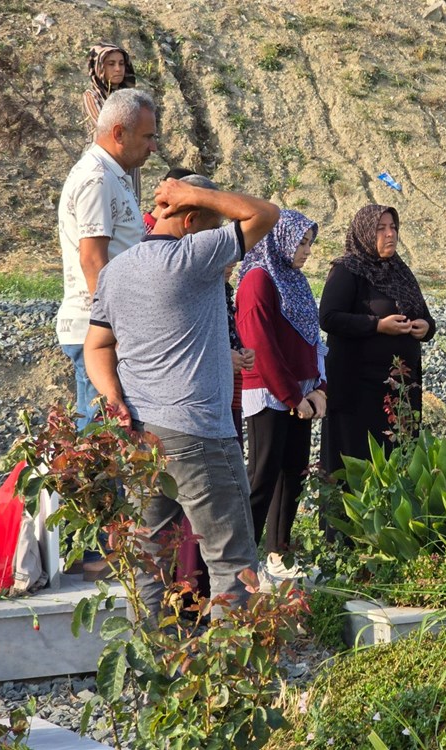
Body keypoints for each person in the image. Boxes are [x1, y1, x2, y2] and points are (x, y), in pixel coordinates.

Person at [84, 174, 280, 620]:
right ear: (190, 221)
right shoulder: (193, 255)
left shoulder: (116, 270)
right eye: (212, 224)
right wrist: (193, 194)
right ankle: (230, 662)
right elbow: (266, 214)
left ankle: (154, 661)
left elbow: (97, 346)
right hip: (199, 434)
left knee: (148, 562)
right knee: (232, 563)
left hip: (141, 435)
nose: (220, 236)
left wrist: (113, 396)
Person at [57, 88, 157, 430]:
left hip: (106, 329)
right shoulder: (97, 179)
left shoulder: (112, 174)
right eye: (147, 137)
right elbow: (92, 260)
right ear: (119, 133)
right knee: (101, 438)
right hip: (97, 331)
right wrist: (112, 330)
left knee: (111, 437)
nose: (153, 148)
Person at [236, 209, 326, 579]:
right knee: (262, 475)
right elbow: (261, 346)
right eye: (301, 242)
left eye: (309, 243)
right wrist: (293, 397)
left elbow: (313, 340)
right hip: (270, 393)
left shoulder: (294, 280)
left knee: (293, 472)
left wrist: (320, 388)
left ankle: (279, 555)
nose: (306, 251)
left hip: (300, 393)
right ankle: (240, 563)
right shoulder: (258, 279)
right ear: (281, 239)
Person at [319, 204, 435, 476]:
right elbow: (329, 318)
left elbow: (424, 315)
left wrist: (426, 327)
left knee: (397, 458)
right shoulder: (347, 270)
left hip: (400, 389)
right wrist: (378, 325)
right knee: (357, 461)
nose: (390, 234)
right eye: (380, 229)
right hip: (358, 390)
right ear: (364, 233)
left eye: (393, 227)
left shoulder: (400, 271)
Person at [82, 43, 142, 203]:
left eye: (121, 64)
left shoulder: (133, 97)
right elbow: (105, 126)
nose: (118, 69)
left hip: (129, 157)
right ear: (99, 67)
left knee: (130, 203)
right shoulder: (92, 96)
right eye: (111, 64)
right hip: (102, 160)